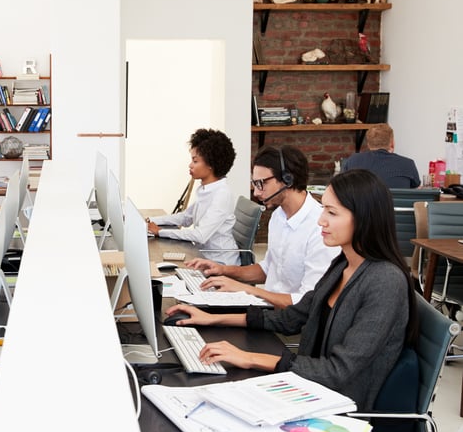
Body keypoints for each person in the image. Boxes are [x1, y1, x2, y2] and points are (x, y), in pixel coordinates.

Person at [165, 169, 417, 412]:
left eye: (331, 212)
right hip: (310, 387)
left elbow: (338, 371)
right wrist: (213, 318)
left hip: (341, 405)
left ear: (364, 218)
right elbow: (293, 317)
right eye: (322, 209)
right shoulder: (344, 263)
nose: (321, 220)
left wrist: (250, 358)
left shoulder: (385, 281)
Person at [187, 146, 338, 308]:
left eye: (261, 184)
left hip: (292, 324)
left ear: (288, 179)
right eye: (255, 184)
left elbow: (307, 302)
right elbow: (268, 269)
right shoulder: (278, 216)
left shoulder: (320, 229)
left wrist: (246, 290)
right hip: (268, 309)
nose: (257, 193)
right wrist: (223, 270)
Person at [147, 128, 239, 265]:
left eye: (195, 161)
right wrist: (151, 220)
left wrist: (160, 232)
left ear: (211, 165)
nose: (190, 165)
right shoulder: (205, 189)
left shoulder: (222, 194)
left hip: (220, 263)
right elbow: (185, 218)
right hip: (203, 256)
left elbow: (200, 235)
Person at [341, 123, 420, 188]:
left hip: (361, 207)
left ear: (368, 144)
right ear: (392, 143)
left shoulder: (353, 161)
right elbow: (416, 188)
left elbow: (342, 187)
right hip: (394, 207)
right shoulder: (408, 164)